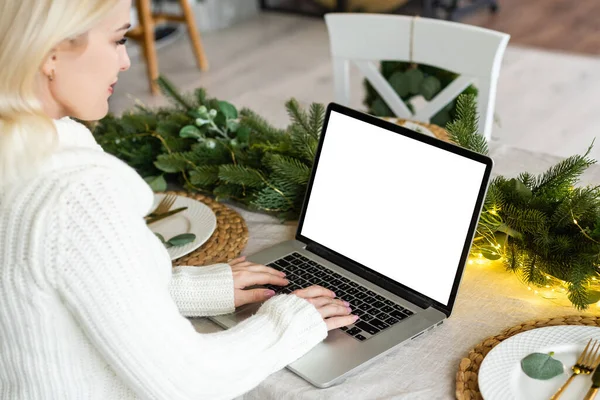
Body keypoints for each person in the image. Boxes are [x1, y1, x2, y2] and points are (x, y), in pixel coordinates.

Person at [0, 1, 357, 398]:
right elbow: (190, 382)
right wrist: (292, 320)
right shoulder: (74, 195)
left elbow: (60, 288)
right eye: (118, 39)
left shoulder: (22, 150)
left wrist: (192, 289)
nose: (125, 62)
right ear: (51, 53)